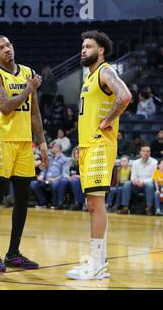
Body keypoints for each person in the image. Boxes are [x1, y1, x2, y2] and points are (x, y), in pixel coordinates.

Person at [66, 30, 131, 280]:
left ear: (101, 50)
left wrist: (108, 119)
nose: (83, 50)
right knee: (93, 204)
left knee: (95, 204)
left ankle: (95, 264)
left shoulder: (105, 71)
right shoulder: (90, 77)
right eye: (82, 46)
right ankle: (100, 262)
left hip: (99, 146)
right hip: (87, 146)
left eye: (89, 46)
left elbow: (124, 96)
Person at [0, 35, 48, 272]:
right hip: (2, 140)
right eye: (1, 48)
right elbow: (5, 106)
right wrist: (28, 89)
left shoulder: (28, 72)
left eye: (9, 45)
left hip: (24, 143)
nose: (7, 49)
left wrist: (41, 143)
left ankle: (13, 253)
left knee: (23, 197)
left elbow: (34, 113)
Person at [117, 145, 157, 215]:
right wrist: (135, 181)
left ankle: (149, 208)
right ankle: (125, 208)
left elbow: (153, 177)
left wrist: (143, 182)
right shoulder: (135, 162)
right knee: (127, 184)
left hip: (147, 186)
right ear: (140, 152)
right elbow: (133, 177)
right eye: (143, 151)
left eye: (148, 151)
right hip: (136, 185)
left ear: (150, 153)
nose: (146, 153)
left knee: (150, 185)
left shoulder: (154, 162)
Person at [31, 142, 69, 209]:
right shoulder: (49, 158)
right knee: (34, 184)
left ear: (58, 148)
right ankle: (42, 203)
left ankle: (55, 204)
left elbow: (64, 173)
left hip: (57, 179)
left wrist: (55, 179)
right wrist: (41, 176)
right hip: (46, 179)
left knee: (54, 184)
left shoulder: (65, 159)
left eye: (53, 147)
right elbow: (44, 170)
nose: (51, 149)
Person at [67, 146, 85, 211]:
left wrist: (78, 176)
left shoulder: (84, 163)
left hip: (83, 180)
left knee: (76, 181)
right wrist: (68, 177)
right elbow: (68, 174)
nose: (77, 155)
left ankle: (79, 202)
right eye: (75, 153)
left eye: (78, 153)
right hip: (72, 180)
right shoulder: (72, 163)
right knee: (65, 182)